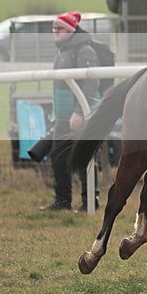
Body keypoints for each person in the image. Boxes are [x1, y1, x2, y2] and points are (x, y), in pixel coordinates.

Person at [39, 12, 100, 211]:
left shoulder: (84, 50)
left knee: (83, 159)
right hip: (63, 118)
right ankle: (62, 202)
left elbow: (91, 83)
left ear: (72, 30)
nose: (56, 32)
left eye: (61, 28)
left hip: (79, 116)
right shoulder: (62, 51)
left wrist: (79, 112)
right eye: (54, 28)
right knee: (58, 157)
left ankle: (89, 203)